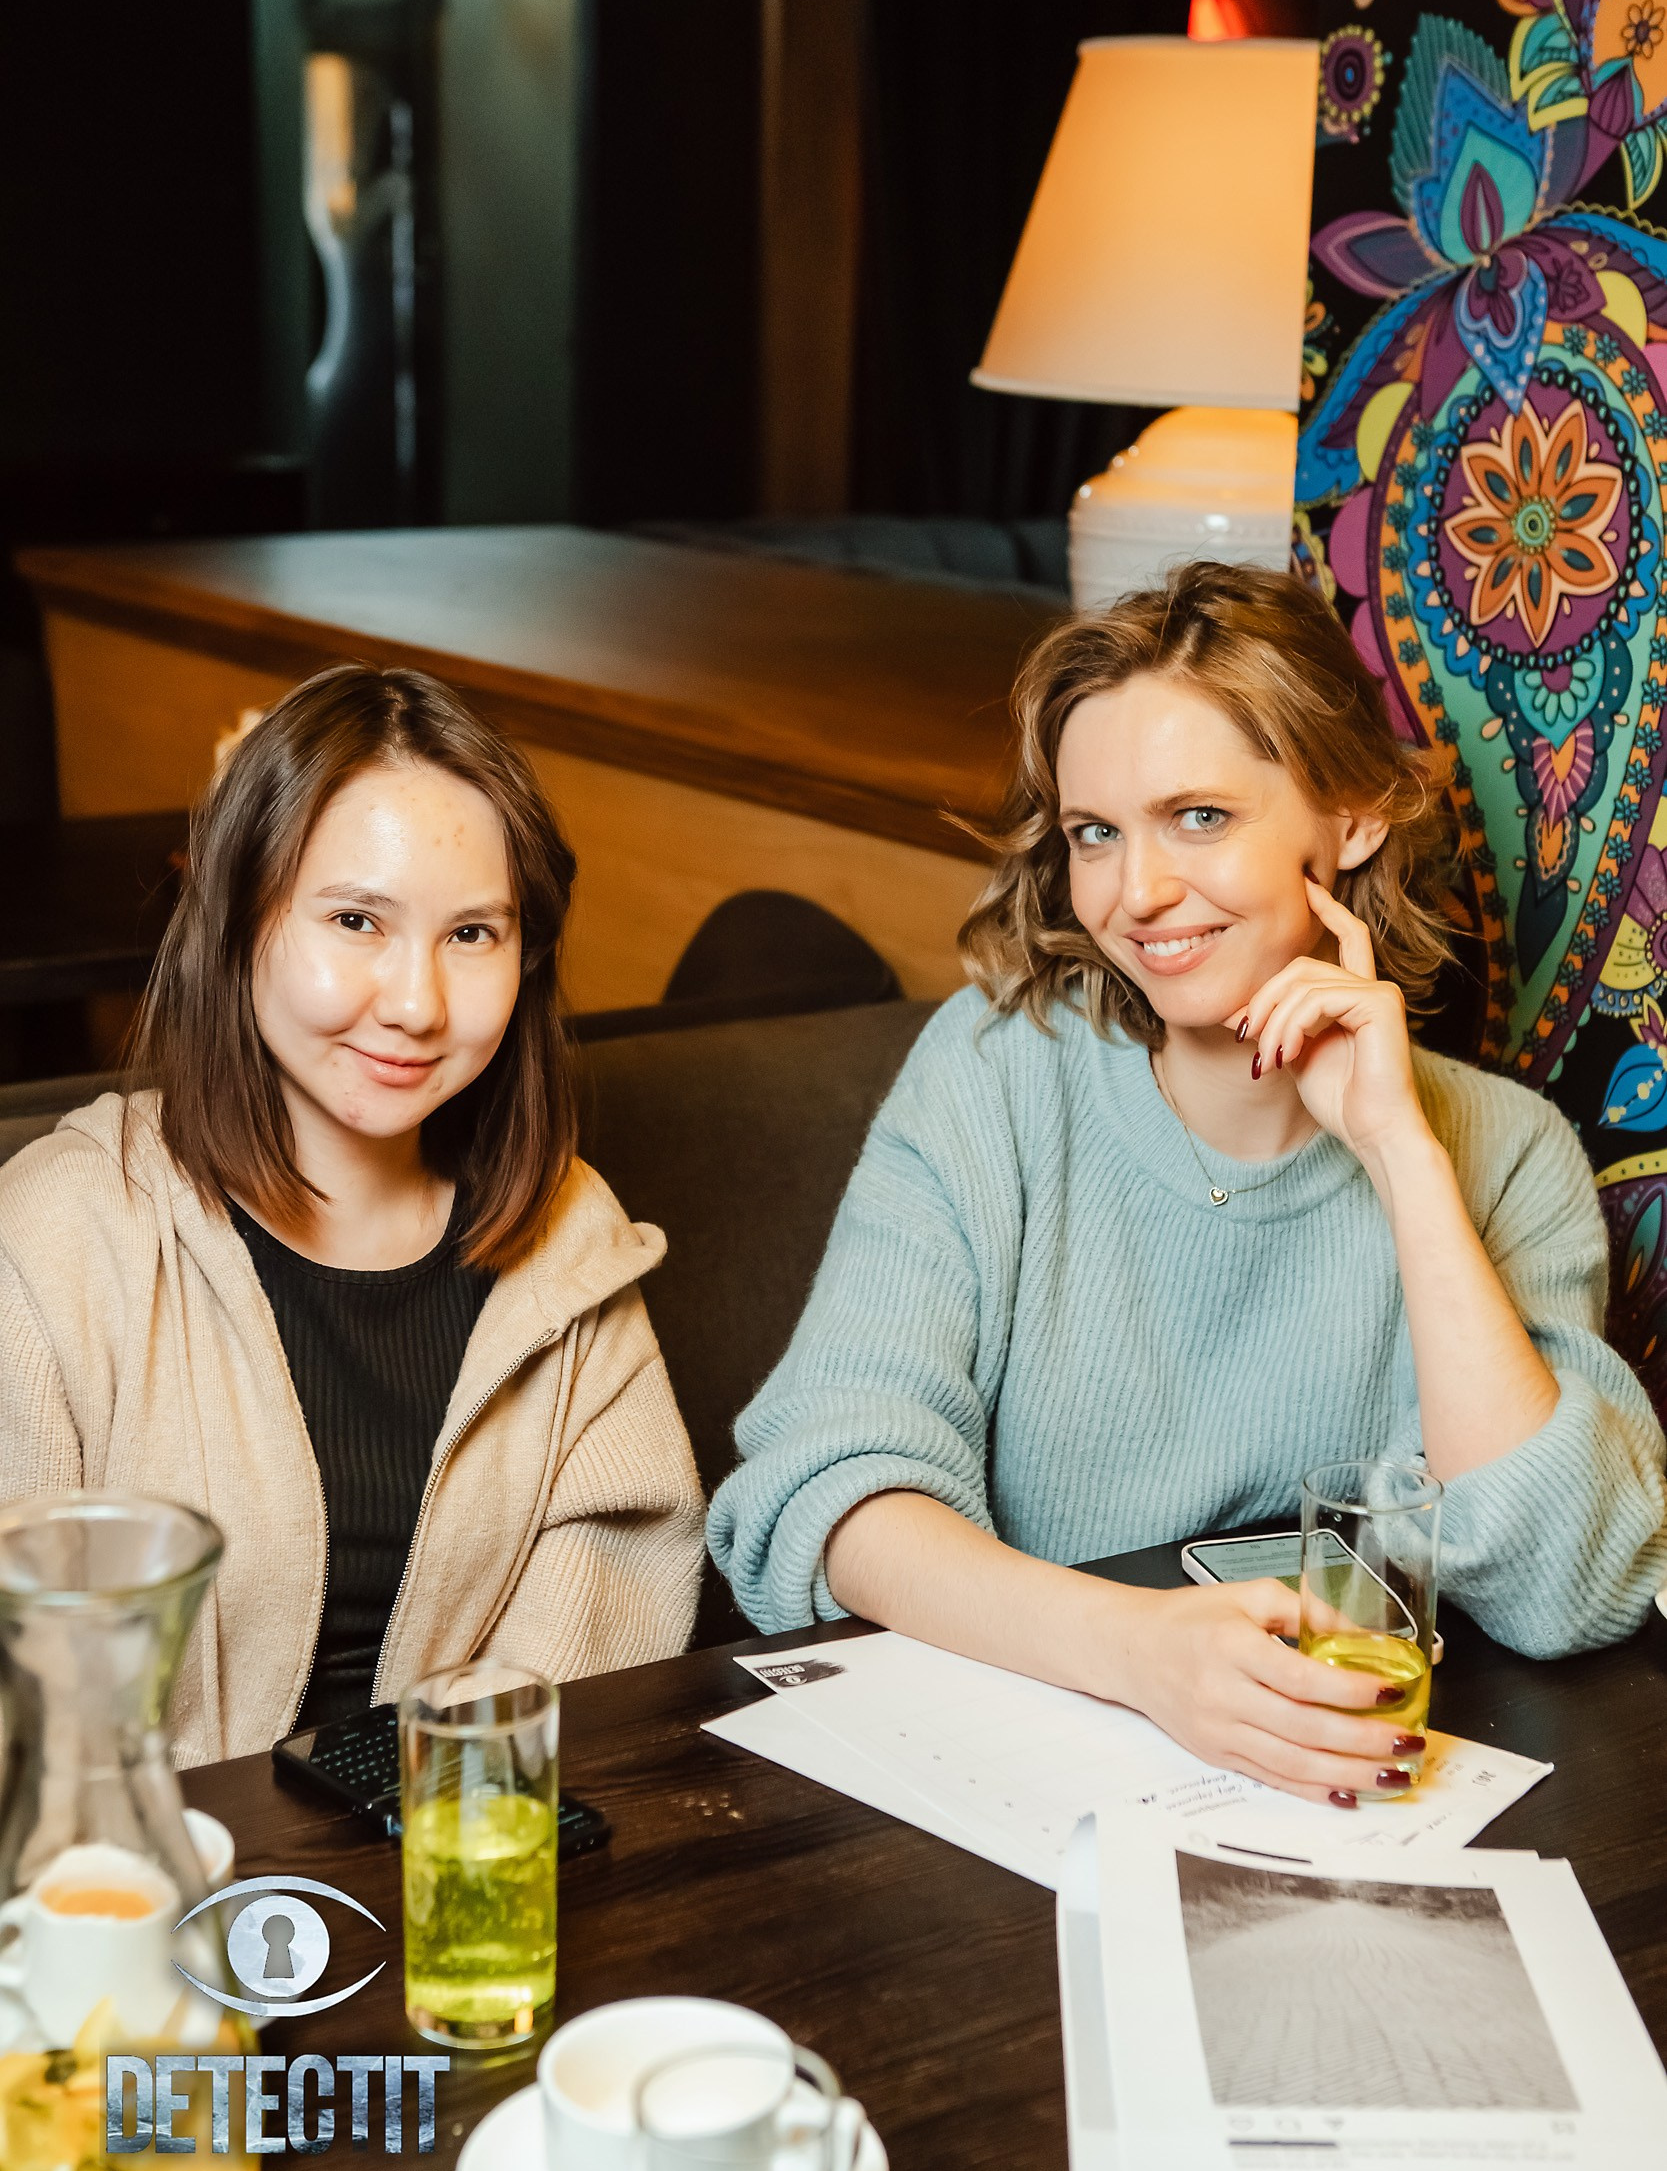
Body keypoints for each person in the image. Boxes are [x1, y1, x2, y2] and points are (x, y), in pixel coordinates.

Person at [709, 562, 1667, 1807]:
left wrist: (1398, 1152)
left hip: (1319, 1795)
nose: (1136, 894)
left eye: (1198, 817)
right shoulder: (998, 1068)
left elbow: (1565, 1586)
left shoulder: (1505, 1148)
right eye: (1094, 834)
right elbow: (826, 1492)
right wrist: (1139, 1653)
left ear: (1351, 817)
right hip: (1021, 1774)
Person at [0, 665, 705, 1764]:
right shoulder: (56, 1237)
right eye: (356, 920)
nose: (416, 1004)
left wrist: (433, 1816)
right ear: (237, 920)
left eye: (472, 934)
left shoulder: (567, 1232)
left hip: (468, 1837)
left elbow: (616, 1589)